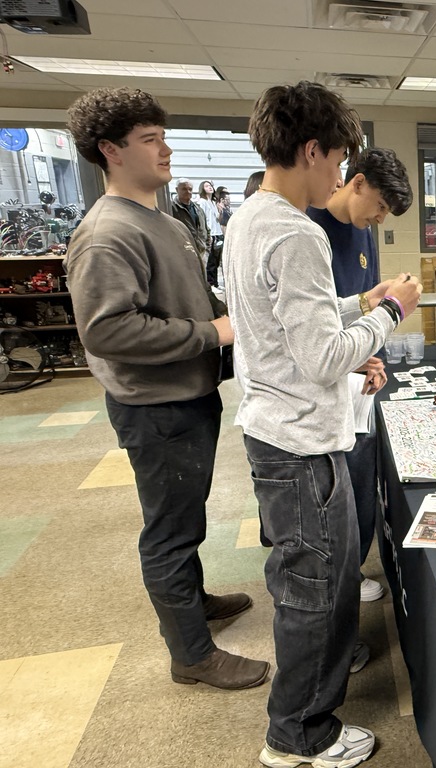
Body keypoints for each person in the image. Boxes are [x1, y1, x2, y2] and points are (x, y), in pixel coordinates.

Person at [223, 80, 422, 768]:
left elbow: (286, 328)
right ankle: (298, 735)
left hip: (276, 430)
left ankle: (313, 688)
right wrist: (391, 310)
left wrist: (355, 302)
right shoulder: (296, 232)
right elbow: (320, 358)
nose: (340, 174)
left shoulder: (250, 216)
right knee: (313, 592)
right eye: (338, 160)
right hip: (302, 442)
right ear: (311, 150)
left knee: (318, 581)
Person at [64, 87, 269, 690]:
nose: (166, 150)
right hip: (156, 408)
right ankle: (191, 655)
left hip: (189, 394)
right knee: (170, 529)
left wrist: (236, 320)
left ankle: (194, 600)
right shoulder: (106, 233)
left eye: (163, 136)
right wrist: (210, 331)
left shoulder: (163, 219)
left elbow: (191, 299)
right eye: (150, 140)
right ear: (110, 150)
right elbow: (107, 331)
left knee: (187, 516)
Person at [307, 147, 413, 605]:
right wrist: (353, 358)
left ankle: (354, 567)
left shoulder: (363, 229)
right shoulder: (310, 231)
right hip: (327, 382)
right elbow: (311, 330)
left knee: (363, 483)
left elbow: (362, 303)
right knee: (337, 493)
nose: (380, 219)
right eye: (381, 207)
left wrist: (375, 355)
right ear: (358, 182)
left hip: (362, 375)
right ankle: (339, 578)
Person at [171, 177, 210, 274]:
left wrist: (207, 247)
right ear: (177, 190)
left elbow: (205, 228)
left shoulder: (197, 208)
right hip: (184, 253)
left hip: (201, 251)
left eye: (190, 189)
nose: (188, 191)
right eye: (184, 189)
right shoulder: (172, 208)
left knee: (202, 280)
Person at [196, 179, 223, 286]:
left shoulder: (213, 202)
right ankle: (211, 284)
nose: (210, 187)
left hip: (218, 232)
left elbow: (217, 219)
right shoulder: (202, 202)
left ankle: (215, 283)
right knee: (210, 261)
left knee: (216, 261)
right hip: (210, 234)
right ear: (202, 188)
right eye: (207, 186)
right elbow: (202, 218)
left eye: (211, 185)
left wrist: (220, 211)